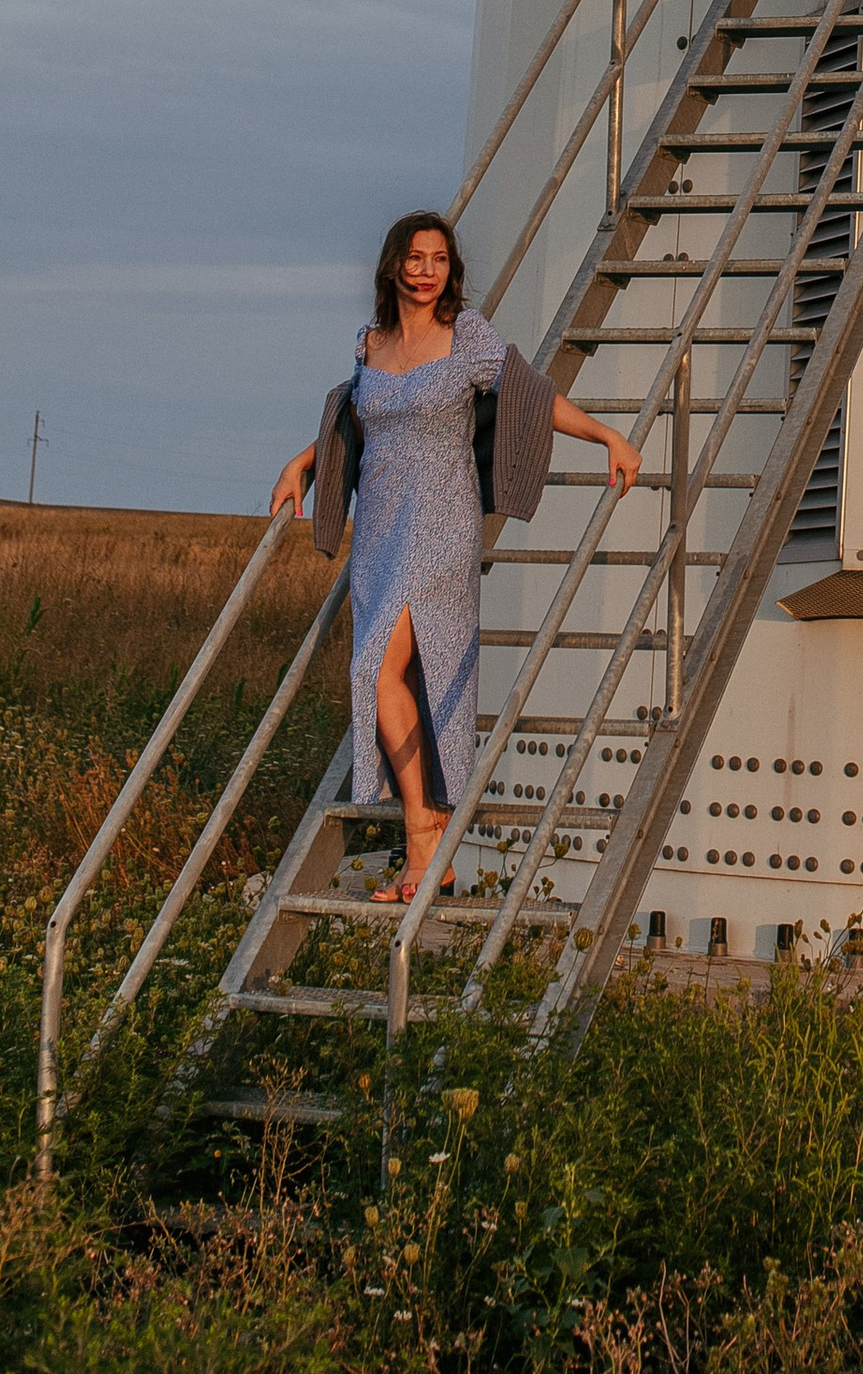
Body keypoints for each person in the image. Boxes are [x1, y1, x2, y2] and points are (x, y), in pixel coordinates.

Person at [269, 211, 641, 901]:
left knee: (377, 664)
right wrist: (303, 462)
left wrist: (606, 436)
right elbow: (356, 418)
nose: (426, 268)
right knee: (390, 676)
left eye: (438, 258)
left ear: (450, 270)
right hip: (380, 525)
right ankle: (427, 838)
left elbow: (533, 395)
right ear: (393, 266)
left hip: (441, 521)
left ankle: (422, 832)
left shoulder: (467, 338)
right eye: (414, 257)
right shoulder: (372, 345)